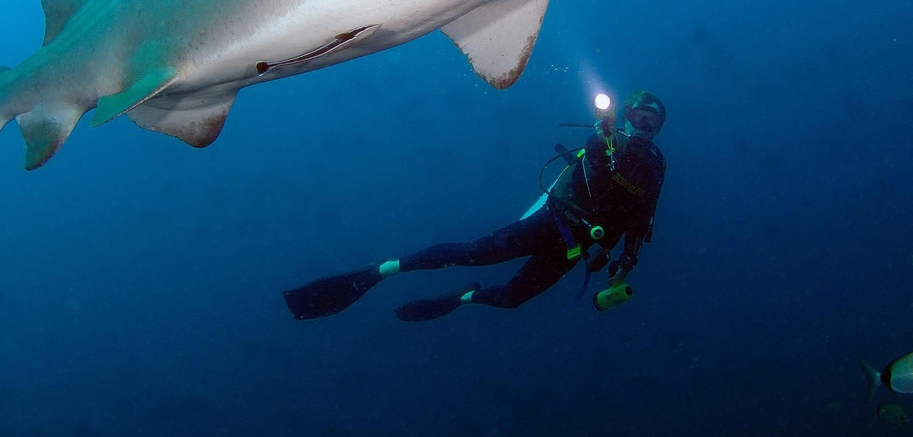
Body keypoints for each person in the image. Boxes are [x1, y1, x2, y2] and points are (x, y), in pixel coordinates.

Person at [282, 90, 667, 322]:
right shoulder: (607, 142)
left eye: (652, 122)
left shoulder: (655, 167)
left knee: (513, 300)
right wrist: (605, 134)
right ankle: (382, 270)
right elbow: (596, 159)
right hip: (553, 223)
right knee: (473, 253)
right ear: (627, 117)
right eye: (639, 117)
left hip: (575, 249)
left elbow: (643, 217)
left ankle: (463, 298)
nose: (644, 126)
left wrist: (627, 258)